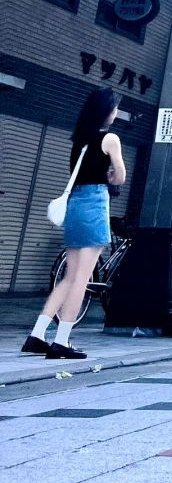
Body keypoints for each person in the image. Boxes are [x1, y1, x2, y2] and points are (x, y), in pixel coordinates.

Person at [22, 88, 125, 360]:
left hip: (75, 204)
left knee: (70, 276)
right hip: (94, 204)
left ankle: (37, 334)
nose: (116, 113)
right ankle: (62, 341)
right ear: (107, 111)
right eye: (115, 108)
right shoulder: (110, 138)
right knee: (82, 277)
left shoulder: (80, 139)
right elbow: (120, 177)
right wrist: (112, 171)